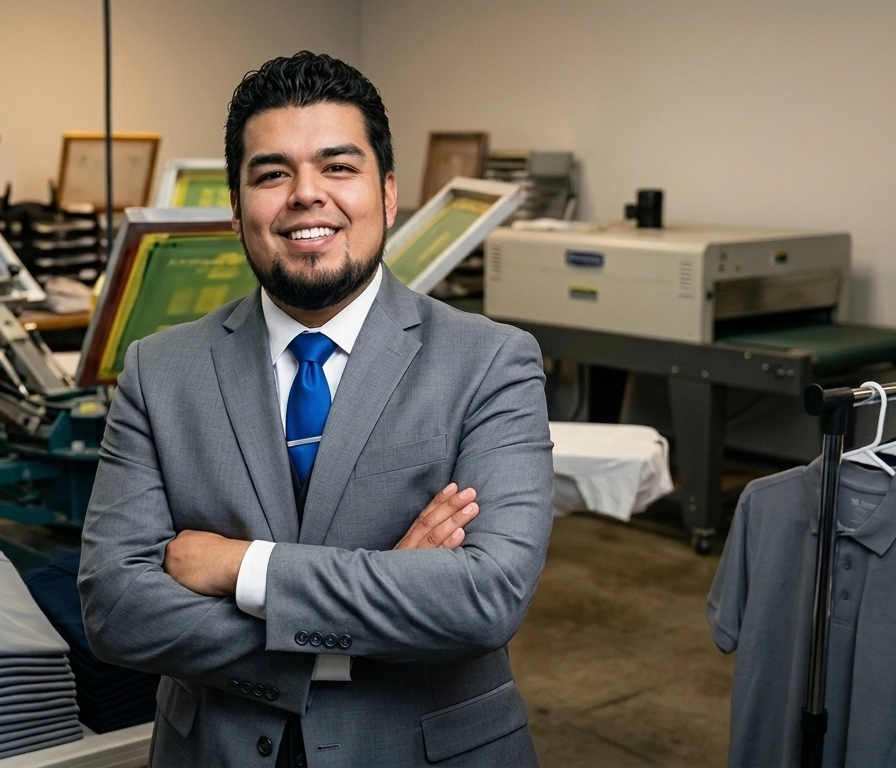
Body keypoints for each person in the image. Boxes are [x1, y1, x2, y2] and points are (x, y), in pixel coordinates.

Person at [79, 51, 553, 767]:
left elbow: (486, 597)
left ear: (387, 194)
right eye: (272, 174)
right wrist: (367, 617)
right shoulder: (159, 370)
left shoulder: (491, 362)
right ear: (236, 208)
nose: (307, 194)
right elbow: (117, 608)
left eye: (338, 166)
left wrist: (242, 567)